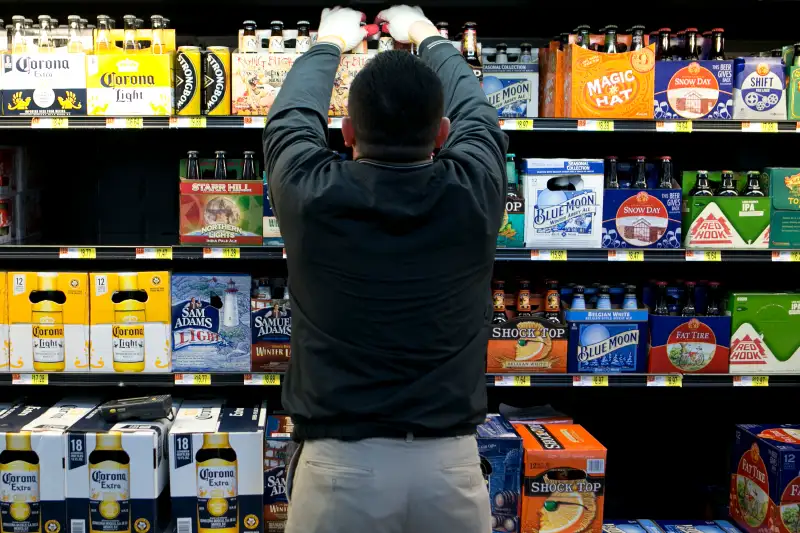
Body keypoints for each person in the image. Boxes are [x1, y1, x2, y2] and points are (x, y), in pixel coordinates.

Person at [263, 5, 507, 532]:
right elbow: (480, 115)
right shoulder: (476, 191)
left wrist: (328, 42)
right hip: (452, 472)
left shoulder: (310, 194)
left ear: (346, 131)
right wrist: (426, 34)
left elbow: (289, 118)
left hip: (339, 470)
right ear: (442, 134)